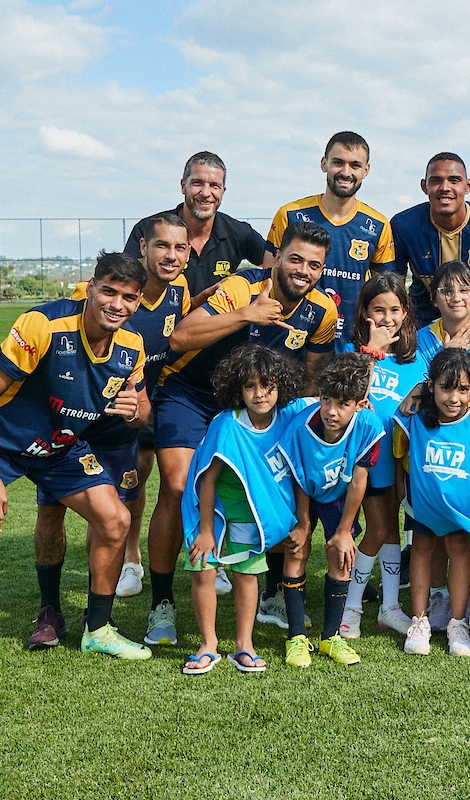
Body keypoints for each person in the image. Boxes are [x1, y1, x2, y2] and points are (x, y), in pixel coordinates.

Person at [0, 251, 153, 691]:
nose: (117, 303)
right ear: (90, 288)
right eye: (108, 291)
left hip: (59, 446)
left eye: (128, 297)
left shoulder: (132, 346)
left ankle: (98, 630)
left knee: (116, 520)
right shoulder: (44, 326)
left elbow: (142, 406)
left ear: (138, 302)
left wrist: (134, 411)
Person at [142, 221, 337, 647]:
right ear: (278, 258)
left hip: (257, 402)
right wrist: (246, 314)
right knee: (178, 487)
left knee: (274, 487)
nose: (303, 270)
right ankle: (162, 603)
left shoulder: (323, 310)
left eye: (315, 265)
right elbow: (179, 338)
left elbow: (310, 378)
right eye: (296, 259)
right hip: (192, 394)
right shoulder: (242, 287)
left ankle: (267, 592)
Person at [27, 213, 193, 650]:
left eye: (179, 248)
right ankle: (49, 609)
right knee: (52, 513)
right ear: (143, 246)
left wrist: (136, 408)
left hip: (122, 427)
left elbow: (142, 394)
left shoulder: (179, 294)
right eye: (162, 246)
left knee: (118, 512)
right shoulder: (91, 299)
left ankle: (99, 615)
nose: (170, 256)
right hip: (69, 424)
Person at [180, 345, 309, 675]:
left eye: (268, 385)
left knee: (247, 574)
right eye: (250, 386)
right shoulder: (227, 424)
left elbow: (327, 409)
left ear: (281, 386)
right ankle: (208, 645)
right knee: (203, 569)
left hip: (251, 515)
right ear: (237, 389)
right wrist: (206, 531)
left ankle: (244, 645)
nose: (259, 394)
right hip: (216, 510)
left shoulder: (291, 416)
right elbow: (206, 480)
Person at [280, 353, 384, 666]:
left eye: (342, 404)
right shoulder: (302, 428)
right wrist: (302, 522)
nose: (331, 411)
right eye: (327, 400)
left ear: (360, 403)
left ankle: (330, 637)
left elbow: (358, 482)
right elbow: (298, 478)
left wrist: (342, 531)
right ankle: (296, 636)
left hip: (340, 492)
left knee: (341, 553)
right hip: (303, 489)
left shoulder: (369, 426)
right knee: (297, 549)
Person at [339, 274, 428, 639]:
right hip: (366, 457)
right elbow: (349, 391)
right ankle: (351, 610)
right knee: (376, 528)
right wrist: (371, 350)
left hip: (401, 458)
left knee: (392, 528)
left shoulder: (417, 356)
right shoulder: (351, 350)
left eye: (395, 309)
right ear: (364, 312)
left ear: (405, 312)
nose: (388, 317)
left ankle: (390, 607)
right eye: (379, 309)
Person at [395, 349, 470, 657]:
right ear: (432, 386)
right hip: (424, 503)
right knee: (422, 549)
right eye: (446, 388)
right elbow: (396, 452)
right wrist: (416, 392)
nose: (454, 398)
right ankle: (420, 620)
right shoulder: (416, 414)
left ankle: (457, 621)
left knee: (459, 551)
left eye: (463, 389)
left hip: (461, 510)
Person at [267, 132, 396, 349]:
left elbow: (386, 295)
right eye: (338, 162)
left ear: (366, 170)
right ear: (324, 163)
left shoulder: (379, 225)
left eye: (355, 165)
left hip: (351, 344)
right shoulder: (289, 214)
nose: (346, 172)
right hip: (291, 340)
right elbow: (267, 281)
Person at [388, 152, 470, 328]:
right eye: (436, 180)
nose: (445, 187)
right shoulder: (403, 225)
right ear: (424, 186)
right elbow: (393, 292)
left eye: (454, 180)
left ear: (468, 186)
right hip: (422, 328)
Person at [125, 151, 274, 297]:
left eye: (214, 185)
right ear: (183, 186)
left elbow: (274, 268)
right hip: (163, 320)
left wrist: (245, 285)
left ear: (223, 191)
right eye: (197, 183)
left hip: (217, 320)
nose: (205, 193)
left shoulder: (239, 233)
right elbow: (124, 283)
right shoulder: (149, 228)